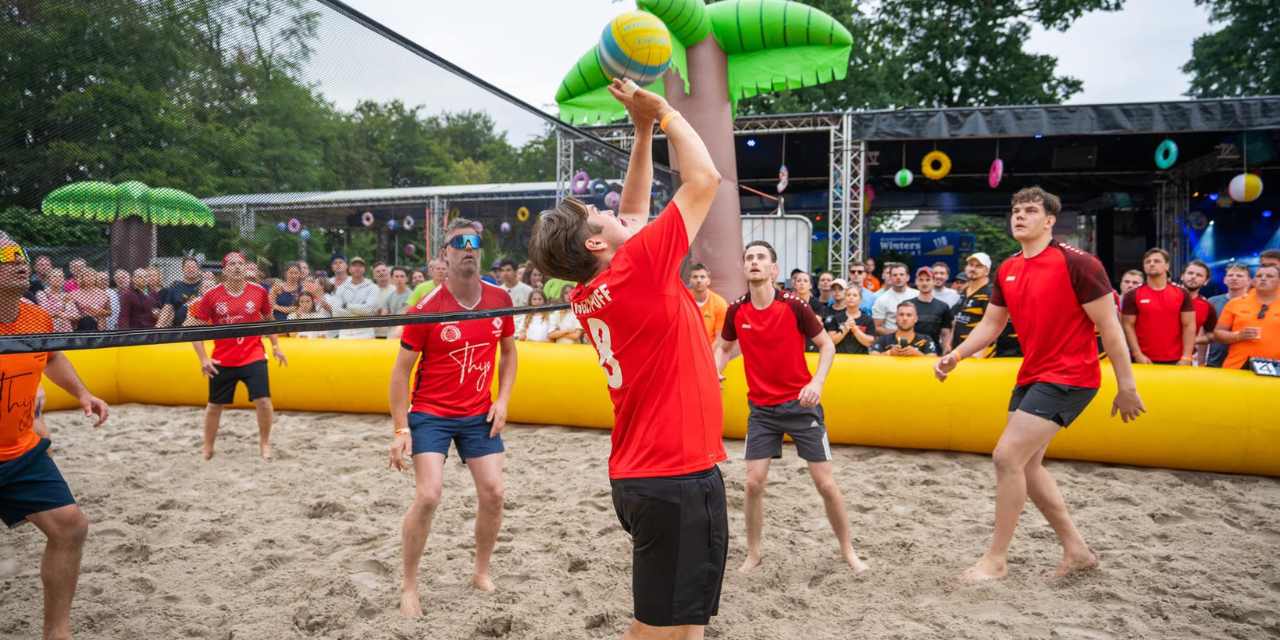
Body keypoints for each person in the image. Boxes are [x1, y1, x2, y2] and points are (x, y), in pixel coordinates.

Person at [528, 78, 727, 638]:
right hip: (674, 476)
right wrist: (662, 111)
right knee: (654, 630)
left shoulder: (594, 288)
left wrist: (639, 134)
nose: (607, 206)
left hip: (648, 473)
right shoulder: (637, 267)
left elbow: (633, 210)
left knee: (687, 625)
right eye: (597, 212)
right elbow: (705, 179)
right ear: (596, 244)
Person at [935, 186, 1145, 582]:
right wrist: (957, 354)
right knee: (1028, 467)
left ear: (1050, 220)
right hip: (1033, 374)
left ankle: (996, 561)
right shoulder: (1009, 268)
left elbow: (1109, 326)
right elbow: (992, 325)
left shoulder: (1079, 264)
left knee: (1006, 456)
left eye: (1030, 211)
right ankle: (1077, 549)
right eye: (1016, 210)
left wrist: (1127, 384)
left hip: (1072, 376)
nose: (1019, 216)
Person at [388, 217, 517, 617]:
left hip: (479, 411)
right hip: (431, 412)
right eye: (458, 242)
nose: (468, 247)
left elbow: (509, 353)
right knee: (428, 495)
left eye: (474, 241)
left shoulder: (499, 299)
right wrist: (400, 428)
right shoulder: (425, 308)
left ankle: (480, 573)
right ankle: (409, 586)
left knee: (494, 493)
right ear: (444, 254)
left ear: (481, 250)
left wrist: (504, 401)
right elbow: (399, 372)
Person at [714, 240, 868, 574]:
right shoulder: (736, 310)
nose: (754, 262)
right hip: (762, 410)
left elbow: (827, 347)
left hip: (801, 405)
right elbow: (724, 347)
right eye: (749, 258)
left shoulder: (794, 305)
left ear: (774, 270)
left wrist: (816, 383)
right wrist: (716, 370)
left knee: (825, 483)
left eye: (761, 258)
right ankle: (754, 553)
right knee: (753, 483)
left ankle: (848, 550)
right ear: (744, 268)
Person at [0, 233, 110, 640]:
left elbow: (52, 356)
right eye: (7, 259)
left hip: (20, 451)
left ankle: (57, 632)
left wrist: (82, 393)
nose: (19, 262)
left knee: (70, 526)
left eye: (21, 257)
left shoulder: (37, 318)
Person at [183, 252, 287, 461]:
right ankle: (207, 447)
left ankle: (264, 444)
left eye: (241, 263)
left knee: (264, 401)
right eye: (232, 264)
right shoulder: (211, 295)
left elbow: (269, 321)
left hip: (253, 354)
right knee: (214, 405)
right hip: (223, 358)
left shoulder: (258, 292)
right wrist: (203, 359)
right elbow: (193, 329)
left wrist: (276, 346)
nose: (237, 267)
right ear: (224, 269)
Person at [1121, 248, 1195, 365]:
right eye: (1147, 262)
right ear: (1144, 267)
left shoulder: (1182, 293)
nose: (1151, 264)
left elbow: (1189, 325)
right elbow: (1128, 326)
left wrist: (1187, 356)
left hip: (1177, 360)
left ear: (1167, 266)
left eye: (1156, 261)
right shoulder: (1132, 295)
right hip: (1143, 360)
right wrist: (1137, 354)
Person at [948, 252, 1020, 357]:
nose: (973, 269)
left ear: (987, 271)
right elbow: (957, 319)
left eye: (979, 266)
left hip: (978, 354)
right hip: (959, 351)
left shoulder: (990, 293)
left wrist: (981, 353)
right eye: (970, 265)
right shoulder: (964, 291)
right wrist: (949, 344)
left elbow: (995, 325)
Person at [1214, 264, 1280, 370]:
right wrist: (1238, 336)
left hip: (1276, 369)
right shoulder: (1235, 303)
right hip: (1237, 367)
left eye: (1269, 276)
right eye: (1259, 276)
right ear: (1253, 281)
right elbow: (1218, 334)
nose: (1263, 278)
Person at [1207, 263, 1252, 367]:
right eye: (1230, 275)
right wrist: (1201, 361)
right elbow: (1204, 332)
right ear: (1224, 280)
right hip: (1214, 360)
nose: (1234, 278)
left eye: (1239, 276)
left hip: (1244, 362)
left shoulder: (1256, 303)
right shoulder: (1212, 302)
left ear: (1249, 281)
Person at [1179, 260, 1219, 365]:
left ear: (1206, 281)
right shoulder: (1165, 297)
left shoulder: (1207, 306)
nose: (1193, 277)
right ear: (1182, 276)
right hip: (1154, 357)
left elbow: (1212, 335)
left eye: (1199, 275)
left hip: (1186, 359)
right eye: (1190, 273)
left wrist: (1194, 340)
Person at [823, 280, 876, 354]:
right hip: (839, 359)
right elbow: (831, 341)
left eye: (855, 295)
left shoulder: (868, 319)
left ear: (860, 299)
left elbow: (869, 342)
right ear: (845, 298)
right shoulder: (835, 318)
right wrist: (845, 329)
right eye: (848, 295)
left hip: (861, 361)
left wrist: (855, 330)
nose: (851, 297)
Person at [334, 257, 379, 339]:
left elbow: (369, 310)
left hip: (366, 333)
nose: (357, 268)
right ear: (349, 269)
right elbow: (336, 312)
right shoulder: (341, 288)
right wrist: (360, 310)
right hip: (345, 333)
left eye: (360, 266)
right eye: (354, 266)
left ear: (364, 269)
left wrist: (346, 305)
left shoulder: (373, 287)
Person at [909, 267, 953, 350]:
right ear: (916, 282)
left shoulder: (943, 306)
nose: (924, 283)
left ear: (934, 282)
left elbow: (945, 333)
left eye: (928, 280)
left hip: (934, 353)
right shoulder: (907, 305)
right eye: (921, 280)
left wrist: (945, 350)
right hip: (909, 352)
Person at [870, 302, 937, 356]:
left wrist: (917, 354)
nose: (905, 318)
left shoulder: (926, 340)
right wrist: (889, 353)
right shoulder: (884, 339)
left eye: (909, 315)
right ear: (896, 318)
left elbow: (933, 361)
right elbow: (872, 358)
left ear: (916, 319)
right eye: (901, 314)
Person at [871, 263, 918, 335]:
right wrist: (899, 334)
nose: (898, 277)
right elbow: (877, 327)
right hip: (892, 342)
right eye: (895, 275)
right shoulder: (882, 299)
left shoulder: (917, 295)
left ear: (908, 277)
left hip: (917, 340)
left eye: (901, 274)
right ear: (890, 278)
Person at [157, 257, 203, 328]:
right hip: (179, 330)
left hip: (201, 329)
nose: (191, 269)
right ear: (182, 269)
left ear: (198, 269)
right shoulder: (175, 288)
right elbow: (167, 309)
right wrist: (158, 327)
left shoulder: (205, 286)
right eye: (187, 267)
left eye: (193, 267)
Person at [688, 263, 727, 345]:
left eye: (702, 277)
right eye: (695, 277)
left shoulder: (720, 304)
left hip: (709, 352)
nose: (699, 280)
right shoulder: (682, 301)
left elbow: (719, 339)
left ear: (708, 281)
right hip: (686, 351)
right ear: (690, 280)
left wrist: (708, 357)